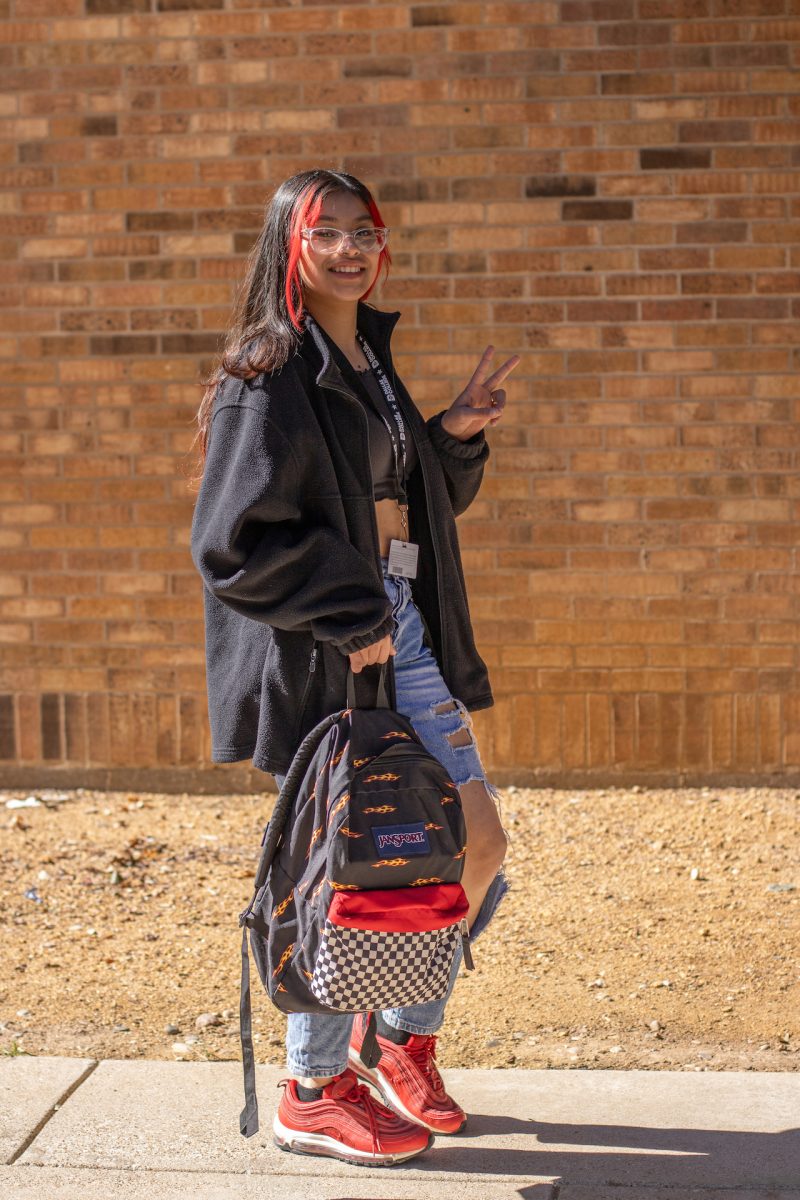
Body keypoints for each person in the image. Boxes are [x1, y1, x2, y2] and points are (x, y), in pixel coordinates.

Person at [190, 168, 521, 1167]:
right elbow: (232, 540)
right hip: (344, 643)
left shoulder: (361, 357)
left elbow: (381, 500)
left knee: (464, 848)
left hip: (399, 623)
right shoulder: (269, 369)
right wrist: (348, 613)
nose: (348, 248)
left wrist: (448, 441)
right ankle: (312, 1085)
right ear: (287, 244)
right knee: (349, 863)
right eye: (324, 231)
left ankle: (396, 1035)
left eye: (362, 231)